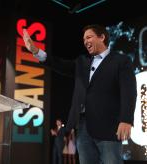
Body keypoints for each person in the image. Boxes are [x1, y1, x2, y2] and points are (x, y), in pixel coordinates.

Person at [23, 24, 137, 164]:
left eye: (89, 37)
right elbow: (58, 64)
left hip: (109, 125)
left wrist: (126, 119)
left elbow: (129, 91)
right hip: (83, 127)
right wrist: (36, 51)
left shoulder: (121, 60)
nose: (85, 42)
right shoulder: (82, 62)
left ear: (102, 37)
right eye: (84, 39)